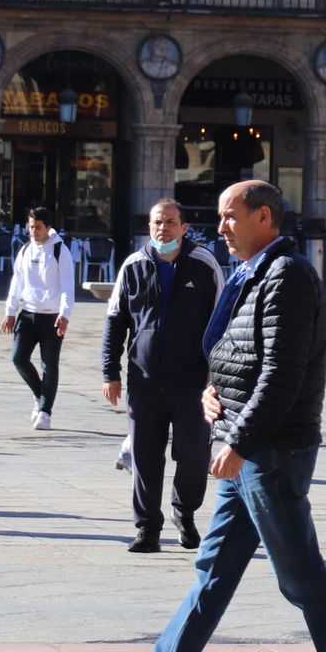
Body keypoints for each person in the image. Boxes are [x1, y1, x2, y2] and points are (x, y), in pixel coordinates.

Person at [99, 180, 326, 652]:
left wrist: (240, 440)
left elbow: (281, 372)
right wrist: (214, 387)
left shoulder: (286, 276)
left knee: (300, 573)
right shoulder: (251, 274)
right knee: (213, 567)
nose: (220, 228)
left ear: (265, 217)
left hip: (271, 451)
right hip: (248, 445)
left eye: (229, 216)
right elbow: (239, 352)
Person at [102, 199, 224, 553]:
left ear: (184, 228)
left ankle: (184, 513)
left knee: (194, 453)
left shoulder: (204, 265)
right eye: (158, 222)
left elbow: (221, 325)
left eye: (170, 222)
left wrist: (216, 376)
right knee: (144, 455)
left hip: (193, 383)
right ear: (149, 226)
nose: (163, 229)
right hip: (145, 379)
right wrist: (111, 372)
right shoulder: (134, 266)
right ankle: (146, 528)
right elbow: (115, 323)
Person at [0, 206, 75, 431]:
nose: (33, 232)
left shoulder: (61, 252)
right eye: (30, 227)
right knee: (18, 357)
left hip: (51, 315)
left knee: (49, 365)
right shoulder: (25, 250)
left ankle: (45, 411)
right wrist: (10, 311)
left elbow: (67, 286)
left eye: (38, 228)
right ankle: (40, 394)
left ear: (48, 228)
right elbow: (17, 282)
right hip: (28, 313)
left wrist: (65, 314)